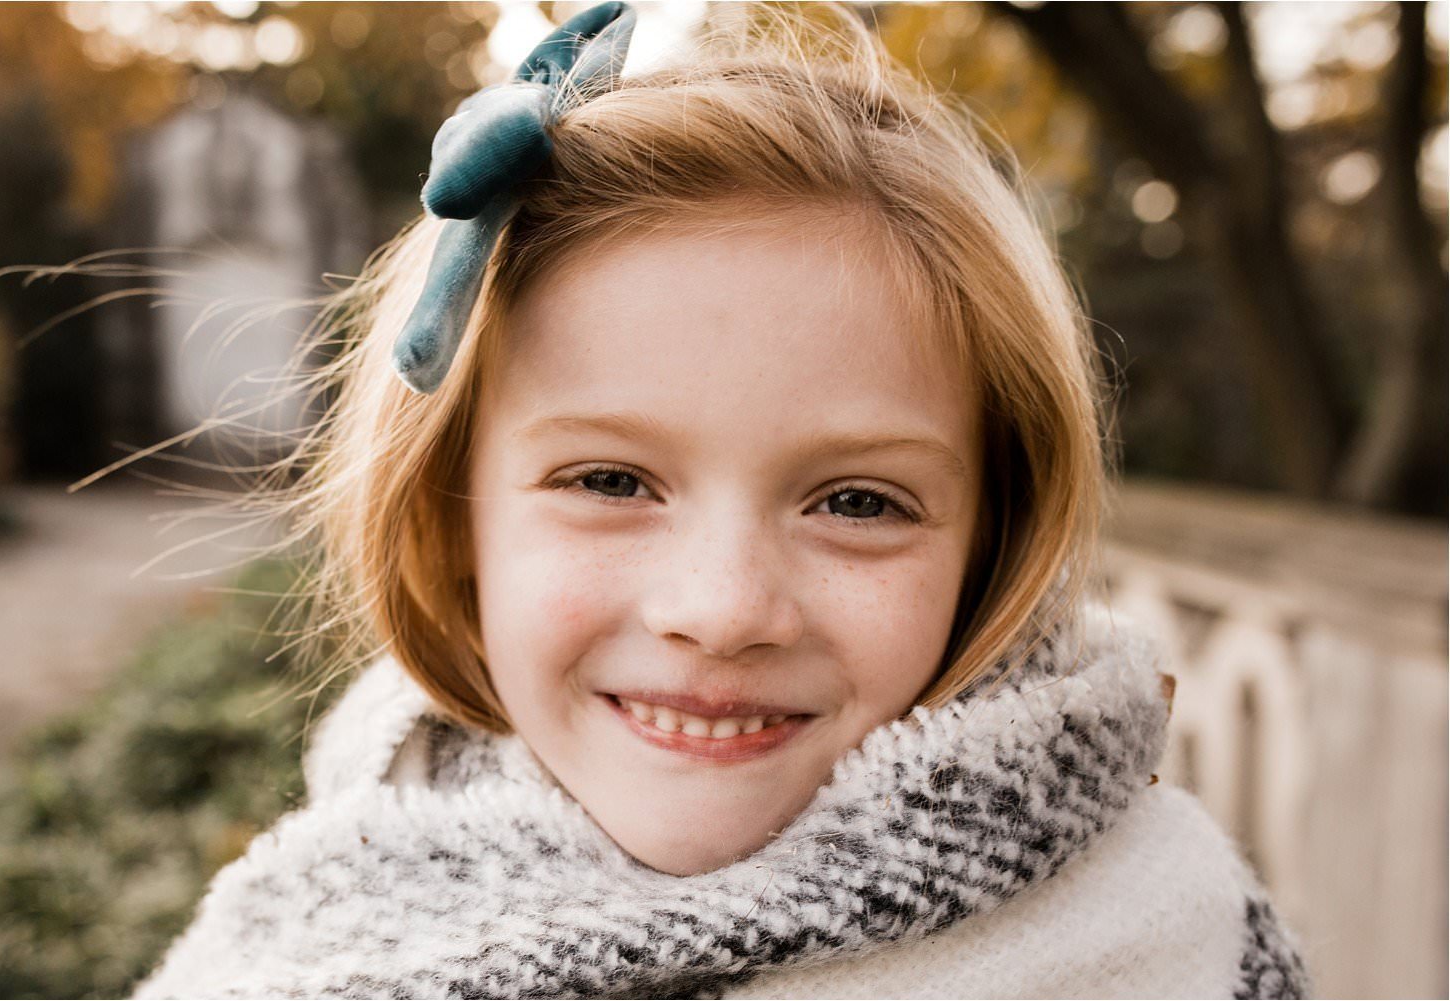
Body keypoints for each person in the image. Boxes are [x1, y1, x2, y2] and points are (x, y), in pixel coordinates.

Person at [135, 3, 1308, 997]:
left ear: (989, 544)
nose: (723, 607)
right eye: (608, 480)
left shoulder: (1171, 942)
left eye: (858, 501)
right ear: (449, 517)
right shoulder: (315, 928)